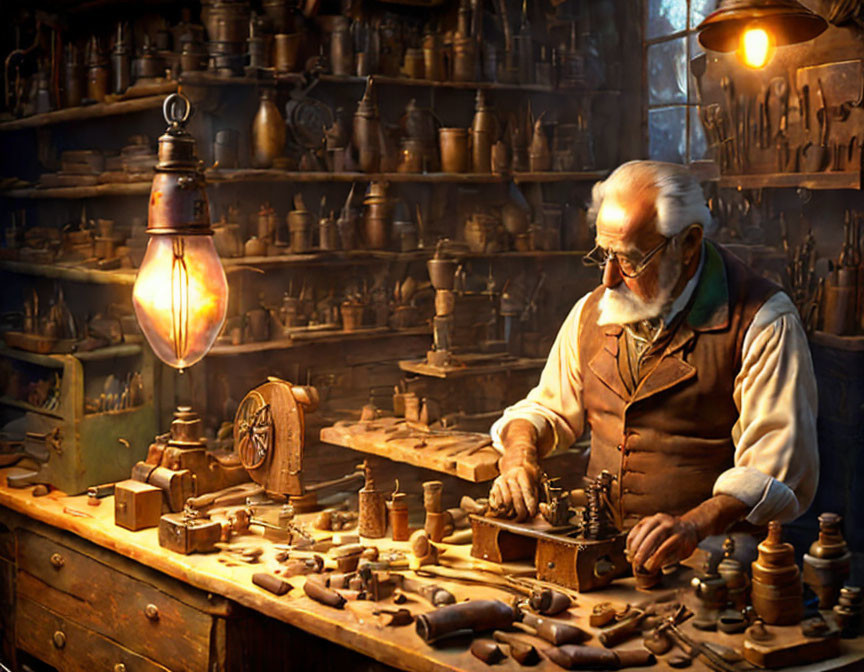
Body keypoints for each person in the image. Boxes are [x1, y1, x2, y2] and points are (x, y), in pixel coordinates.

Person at [488, 161, 818, 575]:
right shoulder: (592, 312)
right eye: (604, 254)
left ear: (689, 244)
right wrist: (520, 456)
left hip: (712, 562)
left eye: (630, 260)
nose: (609, 279)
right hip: (603, 553)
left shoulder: (762, 320)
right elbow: (546, 410)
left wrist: (694, 525)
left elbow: (775, 468)